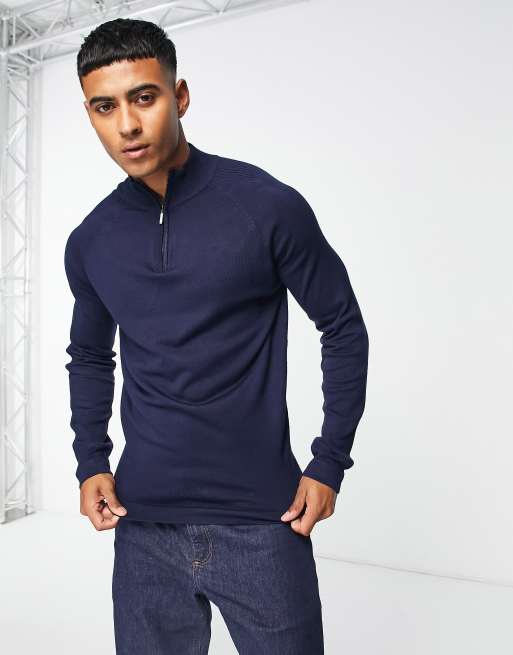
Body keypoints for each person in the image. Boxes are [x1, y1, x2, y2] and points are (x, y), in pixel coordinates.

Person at [64, 17, 369, 655]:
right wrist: (91, 460)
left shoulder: (265, 206)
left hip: (264, 522)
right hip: (143, 528)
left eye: (143, 97)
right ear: (90, 115)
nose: (127, 125)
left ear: (179, 97)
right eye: (105, 107)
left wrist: (329, 463)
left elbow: (341, 325)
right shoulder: (91, 241)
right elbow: (90, 355)